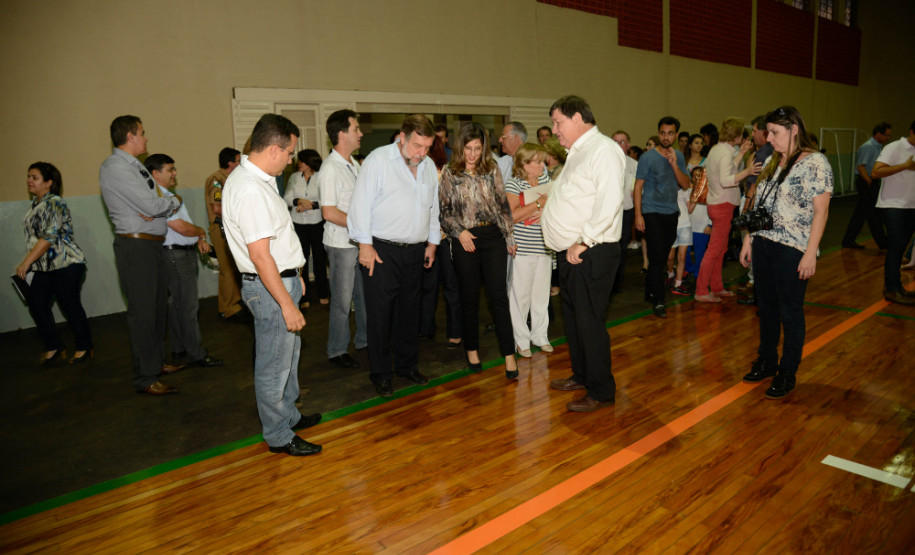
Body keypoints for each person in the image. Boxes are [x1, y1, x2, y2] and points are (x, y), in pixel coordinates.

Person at [222, 113, 322, 457]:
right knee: (273, 364)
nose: (293, 159)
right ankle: (278, 434)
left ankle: (288, 415)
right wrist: (286, 302)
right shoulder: (249, 189)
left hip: (282, 280)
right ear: (275, 149)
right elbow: (262, 257)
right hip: (270, 288)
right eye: (291, 152)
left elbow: (277, 243)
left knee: (288, 356)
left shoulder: (260, 179)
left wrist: (296, 275)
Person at [739, 106, 832, 399]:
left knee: (790, 313)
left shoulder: (815, 162)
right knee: (766, 309)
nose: (769, 138)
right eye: (767, 132)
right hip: (765, 243)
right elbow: (761, 204)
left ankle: (787, 372)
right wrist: (749, 239)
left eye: (775, 133)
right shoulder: (773, 161)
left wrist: (810, 252)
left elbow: (822, 211)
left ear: (794, 129)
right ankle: (766, 361)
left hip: (793, 248)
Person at [541, 95, 624, 412]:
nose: (554, 130)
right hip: (571, 252)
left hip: (591, 250)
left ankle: (601, 390)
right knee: (574, 320)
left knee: (589, 322)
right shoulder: (577, 152)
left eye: (558, 122)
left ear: (578, 118)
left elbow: (610, 200)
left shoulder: (602, 150)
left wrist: (584, 240)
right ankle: (583, 374)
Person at [348, 114, 439, 396]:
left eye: (426, 147)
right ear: (402, 137)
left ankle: (407, 366)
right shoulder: (378, 160)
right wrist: (364, 245)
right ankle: (381, 372)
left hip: (415, 251)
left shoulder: (428, 166)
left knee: (409, 313)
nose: (421, 153)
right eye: (416, 146)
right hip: (381, 250)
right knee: (380, 315)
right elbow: (359, 204)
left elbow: (432, 207)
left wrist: (432, 243)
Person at [99, 115, 184, 395]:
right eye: (143, 133)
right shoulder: (115, 167)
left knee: (158, 308)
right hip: (135, 248)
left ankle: (156, 362)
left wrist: (159, 205)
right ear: (131, 136)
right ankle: (145, 377)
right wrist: (168, 202)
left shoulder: (135, 166)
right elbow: (151, 204)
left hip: (150, 245)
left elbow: (153, 206)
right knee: (144, 313)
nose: (146, 138)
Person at [439, 122, 519, 379]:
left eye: (477, 148)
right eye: (468, 148)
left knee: (498, 296)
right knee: (469, 297)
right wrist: (459, 232)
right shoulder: (450, 173)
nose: (472, 154)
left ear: (483, 149)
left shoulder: (492, 168)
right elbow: (445, 212)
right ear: (460, 147)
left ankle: (509, 354)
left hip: (493, 235)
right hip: (465, 237)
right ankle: (471, 348)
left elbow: (501, 205)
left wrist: (509, 235)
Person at [146, 154, 223, 369]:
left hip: (177, 253)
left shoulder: (165, 195)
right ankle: (197, 354)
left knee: (177, 304)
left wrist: (197, 237)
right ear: (155, 173)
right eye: (170, 169)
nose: (174, 173)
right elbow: (179, 226)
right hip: (176, 256)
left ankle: (180, 347)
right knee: (188, 306)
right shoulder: (159, 196)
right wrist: (200, 231)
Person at [16, 162, 94, 366]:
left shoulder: (54, 202)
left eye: (34, 177)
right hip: (44, 267)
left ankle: (84, 346)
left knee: (69, 304)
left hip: (66, 263)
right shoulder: (36, 203)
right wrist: (31, 263)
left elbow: (48, 238)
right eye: (28, 176)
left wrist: (25, 263)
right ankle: (55, 346)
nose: (29, 181)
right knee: (36, 303)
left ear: (49, 182)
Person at [694, 117, 762, 302]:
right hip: (722, 205)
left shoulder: (719, 149)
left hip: (719, 204)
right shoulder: (724, 152)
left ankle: (716, 287)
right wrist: (747, 172)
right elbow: (726, 180)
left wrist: (742, 154)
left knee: (720, 249)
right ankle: (701, 290)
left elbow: (729, 168)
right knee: (715, 249)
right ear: (738, 135)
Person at [320, 109, 368, 369]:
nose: (360, 134)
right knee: (341, 300)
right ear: (341, 134)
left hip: (358, 241)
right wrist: (360, 224)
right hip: (341, 244)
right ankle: (337, 349)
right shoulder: (330, 169)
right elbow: (329, 212)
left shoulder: (354, 163)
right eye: (356, 129)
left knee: (362, 295)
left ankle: (364, 339)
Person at [634, 116, 690, 318]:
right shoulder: (648, 157)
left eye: (670, 133)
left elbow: (685, 184)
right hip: (651, 212)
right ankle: (658, 300)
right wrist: (638, 215)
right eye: (663, 133)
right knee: (658, 258)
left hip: (671, 212)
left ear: (675, 134)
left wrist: (675, 165)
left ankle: (650, 291)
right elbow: (638, 186)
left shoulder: (679, 156)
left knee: (663, 254)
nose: (666, 137)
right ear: (658, 133)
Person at [505, 142, 553, 359]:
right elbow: (512, 217)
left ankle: (540, 336)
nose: (543, 165)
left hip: (544, 246)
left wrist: (543, 208)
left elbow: (554, 205)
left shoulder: (546, 180)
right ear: (525, 165)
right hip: (522, 248)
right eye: (538, 161)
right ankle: (521, 340)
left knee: (541, 295)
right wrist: (539, 204)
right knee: (520, 297)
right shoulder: (513, 184)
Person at [872, 119, 915, 305]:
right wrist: (905, 166)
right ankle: (891, 288)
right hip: (893, 205)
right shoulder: (894, 147)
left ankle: (896, 286)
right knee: (896, 246)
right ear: (912, 132)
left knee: (901, 247)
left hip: (911, 206)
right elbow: (876, 172)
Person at [204, 147, 247, 322]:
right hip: (221, 228)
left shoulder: (229, 179)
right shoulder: (217, 180)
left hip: (228, 228)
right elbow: (217, 207)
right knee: (228, 268)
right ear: (230, 162)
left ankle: (226, 305)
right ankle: (231, 307)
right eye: (238, 160)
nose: (240, 164)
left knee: (228, 269)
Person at [284, 149, 329, 308]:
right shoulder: (294, 177)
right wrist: (299, 201)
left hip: (317, 223)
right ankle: (304, 297)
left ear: (310, 163)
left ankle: (323, 293)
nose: (298, 164)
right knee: (301, 261)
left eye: (302, 161)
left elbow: (327, 199)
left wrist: (311, 205)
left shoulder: (321, 176)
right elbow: (287, 198)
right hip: (298, 225)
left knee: (319, 259)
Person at [842, 122, 892, 250]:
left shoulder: (878, 147)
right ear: (878, 134)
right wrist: (869, 182)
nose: (888, 138)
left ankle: (848, 240)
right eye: (886, 135)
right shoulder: (868, 147)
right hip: (866, 182)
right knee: (873, 214)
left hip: (871, 181)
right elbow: (861, 166)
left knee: (861, 214)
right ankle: (882, 242)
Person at [611, 131, 637, 292]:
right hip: (609, 213)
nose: (619, 145)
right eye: (615, 141)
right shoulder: (605, 162)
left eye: (622, 142)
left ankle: (617, 282)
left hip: (626, 211)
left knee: (621, 248)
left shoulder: (634, 165)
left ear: (628, 145)